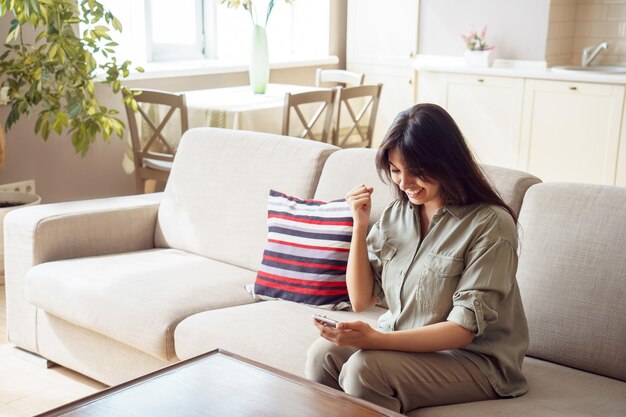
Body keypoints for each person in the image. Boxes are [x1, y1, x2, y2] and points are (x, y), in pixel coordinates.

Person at [305, 103, 529, 413]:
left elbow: (462, 331)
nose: (404, 183)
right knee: (322, 354)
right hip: (406, 342)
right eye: (396, 171)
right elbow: (361, 300)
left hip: (475, 360)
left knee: (364, 370)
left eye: (416, 171)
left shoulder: (490, 224)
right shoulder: (399, 214)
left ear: (446, 163)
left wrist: (374, 340)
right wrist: (359, 224)